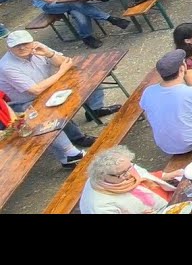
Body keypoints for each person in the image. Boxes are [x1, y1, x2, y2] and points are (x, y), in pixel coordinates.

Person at [0, 30, 122, 168]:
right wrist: (62, 71)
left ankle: (94, 110)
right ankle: (69, 156)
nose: (22, 48)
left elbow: (67, 62)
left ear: (32, 42)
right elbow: (35, 90)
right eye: (16, 46)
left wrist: (49, 54)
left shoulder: (38, 47)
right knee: (45, 118)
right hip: (24, 102)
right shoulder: (6, 66)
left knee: (90, 76)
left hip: (50, 88)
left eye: (25, 43)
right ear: (9, 48)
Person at [78, 144, 182, 213]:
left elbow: (144, 174)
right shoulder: (99, 207)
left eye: (129, 168)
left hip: (170, 202)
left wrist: (166, 175)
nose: (129, 175)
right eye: (122, 174)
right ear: (102, 176)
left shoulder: (122, 167)